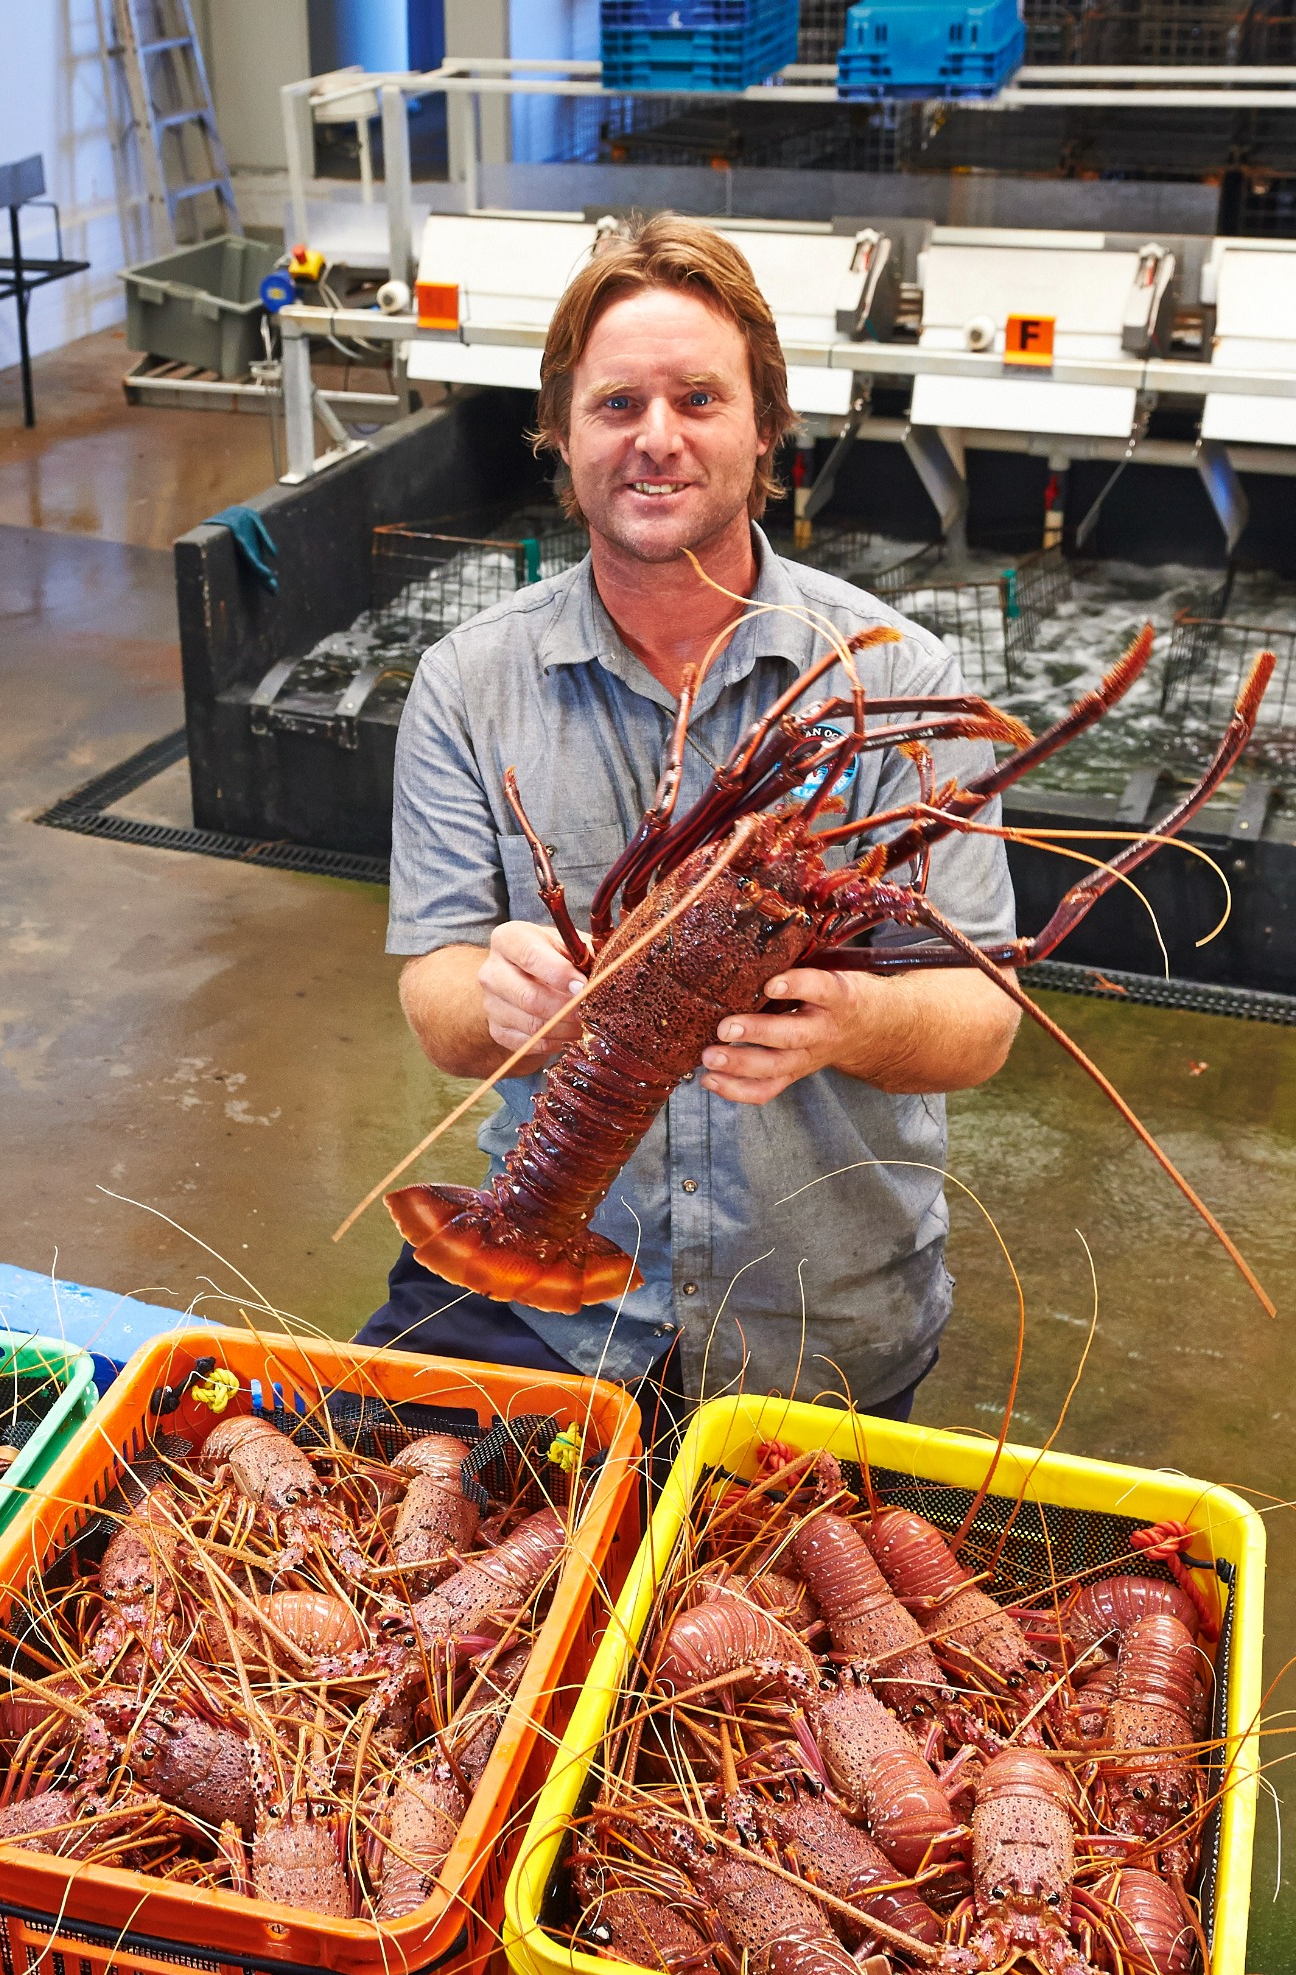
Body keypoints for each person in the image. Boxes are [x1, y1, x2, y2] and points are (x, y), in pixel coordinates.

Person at [354, 214, 1020, 1425]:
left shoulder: (898, 680)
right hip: (548, 1320)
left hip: (821, 1329)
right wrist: (499, 997)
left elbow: (981, 1023)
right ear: (558, 433)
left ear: (767, 425)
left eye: (700, 398)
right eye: (616, 405)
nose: (656, 439)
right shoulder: (468, 682)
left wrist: (851, 1016)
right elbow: (440, 999)